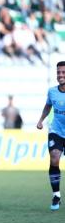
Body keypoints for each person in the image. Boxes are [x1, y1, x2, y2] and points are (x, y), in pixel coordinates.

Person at [37, 61, 65, 211]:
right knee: (54, 158)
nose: (60, 75)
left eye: (63, 73)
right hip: (56, 131)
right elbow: (48, 106)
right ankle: (56, 195)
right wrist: (41, 120)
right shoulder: (52, 91)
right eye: (59, 72)